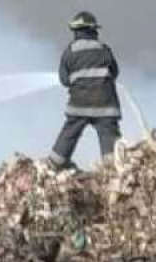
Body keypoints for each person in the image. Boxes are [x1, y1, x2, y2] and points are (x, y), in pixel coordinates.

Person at [49, 11, 122, 169]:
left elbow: (64, 80)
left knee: (69, 134)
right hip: (105, 105)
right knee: (109, 135)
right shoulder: (104, 49)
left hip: (79, 105)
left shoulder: (69, 52)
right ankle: (112, 167)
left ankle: (56, 162)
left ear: (76, 31)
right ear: (93, 30)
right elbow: (115, 72)